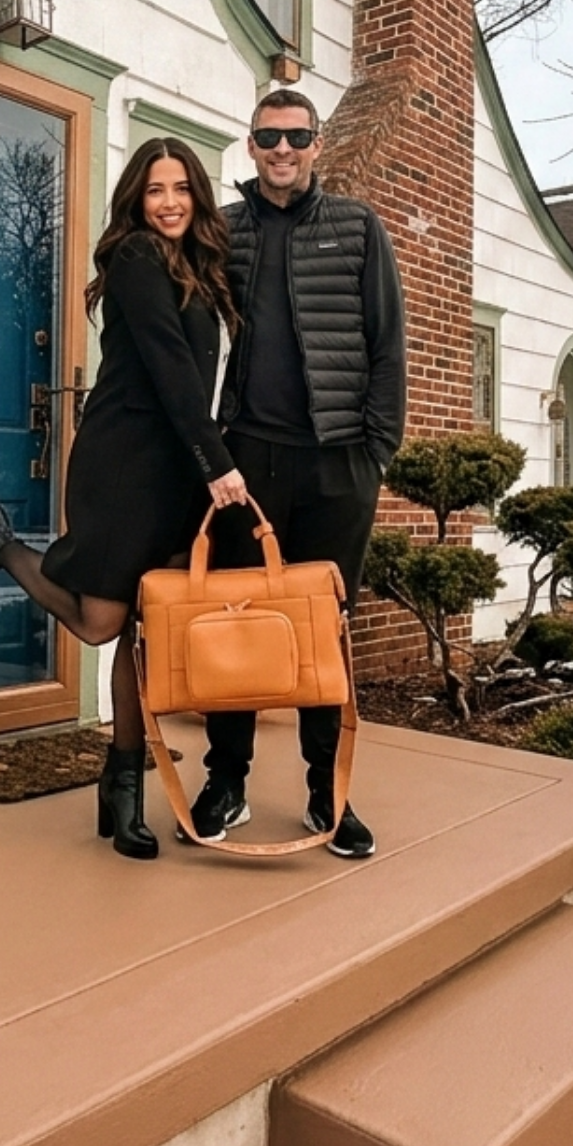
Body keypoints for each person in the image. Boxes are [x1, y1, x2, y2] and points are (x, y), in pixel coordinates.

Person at [0, 137, 248, 860]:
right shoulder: (135, 258)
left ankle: (121, 787)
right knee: (102, 622)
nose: (167, 201)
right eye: (153, 189)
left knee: (144, 631)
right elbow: (168, 366)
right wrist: (217, 462)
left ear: (196, 195)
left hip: (176, 474)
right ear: (135, 199)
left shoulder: (200, 266)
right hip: (125, 465)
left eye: (180, 188)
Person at [184, 89, 406, 858]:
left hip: (336, 460)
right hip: (245, 461)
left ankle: (326, 789)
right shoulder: (226, 229)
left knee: (324, 628)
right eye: (267, 136)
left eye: (296, 136)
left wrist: (376, 447)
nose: (282, 149)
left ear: (317, 144)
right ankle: (227, 780)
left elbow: (386, 341)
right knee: (233, 621)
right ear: (249, 145)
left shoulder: (355, 227)